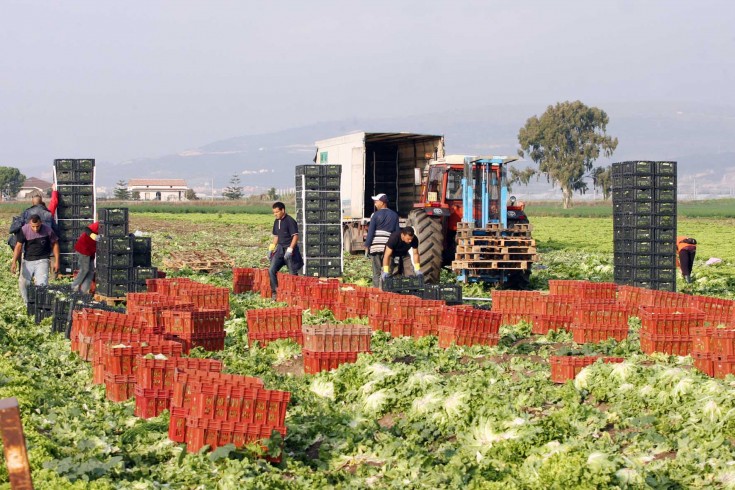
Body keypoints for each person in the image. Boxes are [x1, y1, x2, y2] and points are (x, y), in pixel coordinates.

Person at [11, 214, 60, 304]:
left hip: (43, 260)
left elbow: (55, 244)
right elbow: (18, 246)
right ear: (29, 224)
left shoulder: (47, 230)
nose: (35, 229)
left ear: (41, 222)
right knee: (23, 283)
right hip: (28, 260)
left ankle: (40, 305)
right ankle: (27, 303)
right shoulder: (24, 230)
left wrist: (57, 261)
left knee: (42, 284)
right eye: (33, 226)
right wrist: (14, 262)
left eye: (37, 226)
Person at [268, 202, 303, 300]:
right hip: (279, 249)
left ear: (283, 210)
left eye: (277, 212)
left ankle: (294, 295)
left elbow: (295, 236)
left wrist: (290, 250)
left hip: (289, 248)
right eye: (274, 212)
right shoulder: (276, 221)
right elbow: (276, 236)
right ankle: (275, 293)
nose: (275, 214)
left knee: (292, 273)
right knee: (271, 270)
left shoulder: (290, 221)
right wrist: (271, 248)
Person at [364, 193, 399, 287]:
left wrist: (367, 246)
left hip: (376, 247)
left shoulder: (375, 215)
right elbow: (397, 233)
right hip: (388, 247)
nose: (375, 203)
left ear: (382, 202)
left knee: (376, 272)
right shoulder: (394, 215)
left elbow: (371, 232)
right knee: (387, 271)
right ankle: (387, 291)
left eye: (376, 201)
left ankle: (376, 292)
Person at [71, 222, 99, 293]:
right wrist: (94, 236)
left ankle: (83, 292)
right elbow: (87, 229)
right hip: (84, 248)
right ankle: (73, 288)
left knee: (90, 272)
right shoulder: (100, 224)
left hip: (91, 250)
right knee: (84, 269)